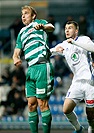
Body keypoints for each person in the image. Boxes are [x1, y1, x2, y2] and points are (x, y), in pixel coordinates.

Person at [50, 21, 94, 133]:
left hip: (89, 81)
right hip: (76, 82)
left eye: (70, 28)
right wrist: (54, 50)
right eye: (66, 28)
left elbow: (93, 48)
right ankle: (78, 129)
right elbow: (49, 52)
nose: (67, 30)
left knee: (90, 115)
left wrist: (74, 43)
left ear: (76, 31)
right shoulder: (64, 44)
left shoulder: (84, 39)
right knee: (66, 109)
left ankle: (92, 128)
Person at [12, 5, 55, 133]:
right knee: (31, 104)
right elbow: (16, 52)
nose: (23, 16)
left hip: (42, 66)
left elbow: (51, 28)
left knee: (42, 103)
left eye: (26, 13)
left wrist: (42, 27)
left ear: (33, 16)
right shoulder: (21, 32)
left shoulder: (39, 23)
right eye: (22, 14)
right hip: (30, 69)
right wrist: (15, 58)